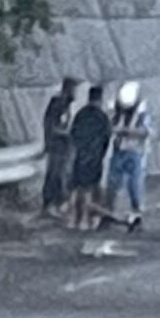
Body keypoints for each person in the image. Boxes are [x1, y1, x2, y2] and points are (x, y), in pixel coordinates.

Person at [106, 81, 151, 230]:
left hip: (134, 153)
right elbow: (110, 125)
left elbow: (145, 132)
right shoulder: (116, 111)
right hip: (118, 151)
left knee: (134, 186)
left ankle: (136, 215)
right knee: (112, 184)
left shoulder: (141, 114)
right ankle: (109, 213)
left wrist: (125, 131)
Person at [69, 84, 112, 231]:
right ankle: (85, 220)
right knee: (89, 190)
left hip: (79, 156)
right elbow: (107, 137)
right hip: (94, 157)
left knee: (75, 188)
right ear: (100, 99)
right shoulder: (102, 117)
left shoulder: (80, 114)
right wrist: (100, 153)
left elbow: (73, 134)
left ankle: (72, 219)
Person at [41, 77, 78, 216]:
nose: (75, 94)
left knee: (63, 174)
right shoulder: (58, 104)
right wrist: (67, 133)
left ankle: (57, 204)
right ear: (67, 90)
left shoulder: (67, 105)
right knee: (55, 174)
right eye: (74, 90)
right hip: (57, 145)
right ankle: (50, 204)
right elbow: (51, 125)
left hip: (64, 145)